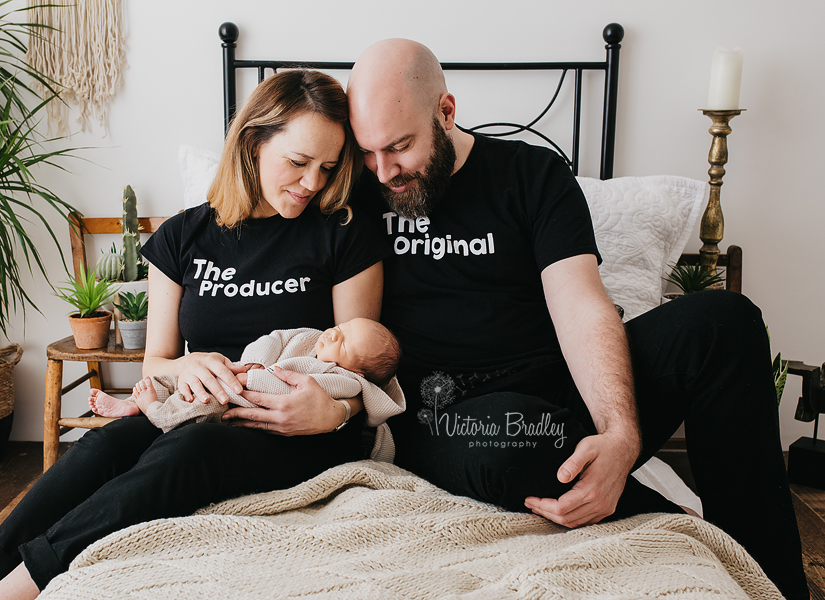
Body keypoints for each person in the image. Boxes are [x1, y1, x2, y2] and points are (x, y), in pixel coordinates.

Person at [334, 39, 806, 599]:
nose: (384, 171)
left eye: (400, 146)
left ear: (446, 111)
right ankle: (668, 514)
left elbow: (580, 302)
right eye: (368, 151)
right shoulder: (354, 192)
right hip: (449, 412)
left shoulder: (532, 173)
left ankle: (774, 579)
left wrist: (621, 434)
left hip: (563, 392)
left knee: (727, 321)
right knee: (504, 443)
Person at [0, 69, 388, 600]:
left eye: (328, 168)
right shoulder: (183, 235)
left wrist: (334, 414)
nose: (313, 183)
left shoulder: (343, 230)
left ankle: (17, 590)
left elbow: (357, 361)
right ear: (252, 142)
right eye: (297, 162)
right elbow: (156, 361)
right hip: (202, 408)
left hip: (299, 431)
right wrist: (185, 367)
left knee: (188, 449)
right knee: (105, 444)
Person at [88, 318, 405, 461]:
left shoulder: (342, 379)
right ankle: (132, 403)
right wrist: (252, 362)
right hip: (239, 370)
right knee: (181, 376)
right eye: (344, 327)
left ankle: (153, 410)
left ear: (356, 370)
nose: (335, 333)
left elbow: (287, 389)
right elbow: (275, 337)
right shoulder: (311, 338)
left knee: (201, 406)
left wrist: (251, 378)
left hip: (242, 400)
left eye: (346, 342)